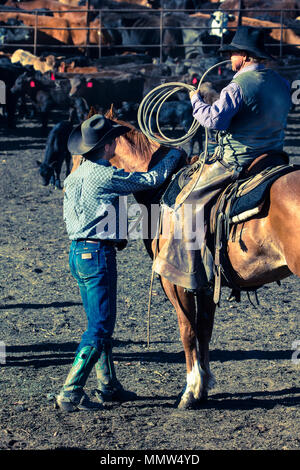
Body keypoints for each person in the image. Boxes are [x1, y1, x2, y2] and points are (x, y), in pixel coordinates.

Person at [56, 114, 184, 412]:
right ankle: (71, 390)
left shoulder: (74, 177)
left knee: (97, 322)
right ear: (109, 144)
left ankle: (108, 385)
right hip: (98, 254)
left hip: (78, 252)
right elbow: (150, 179)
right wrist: (174, 153)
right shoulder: (105, 174)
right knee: (100, 327)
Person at [152, 26, 292, 292]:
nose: (230, 58)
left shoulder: (237, 85)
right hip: (274, 157)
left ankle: (190, 273)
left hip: (238, 159)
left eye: (232, 53)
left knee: (187, 202)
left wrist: (196, 100)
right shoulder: (281, 82)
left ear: (244, 55)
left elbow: (213, 120)